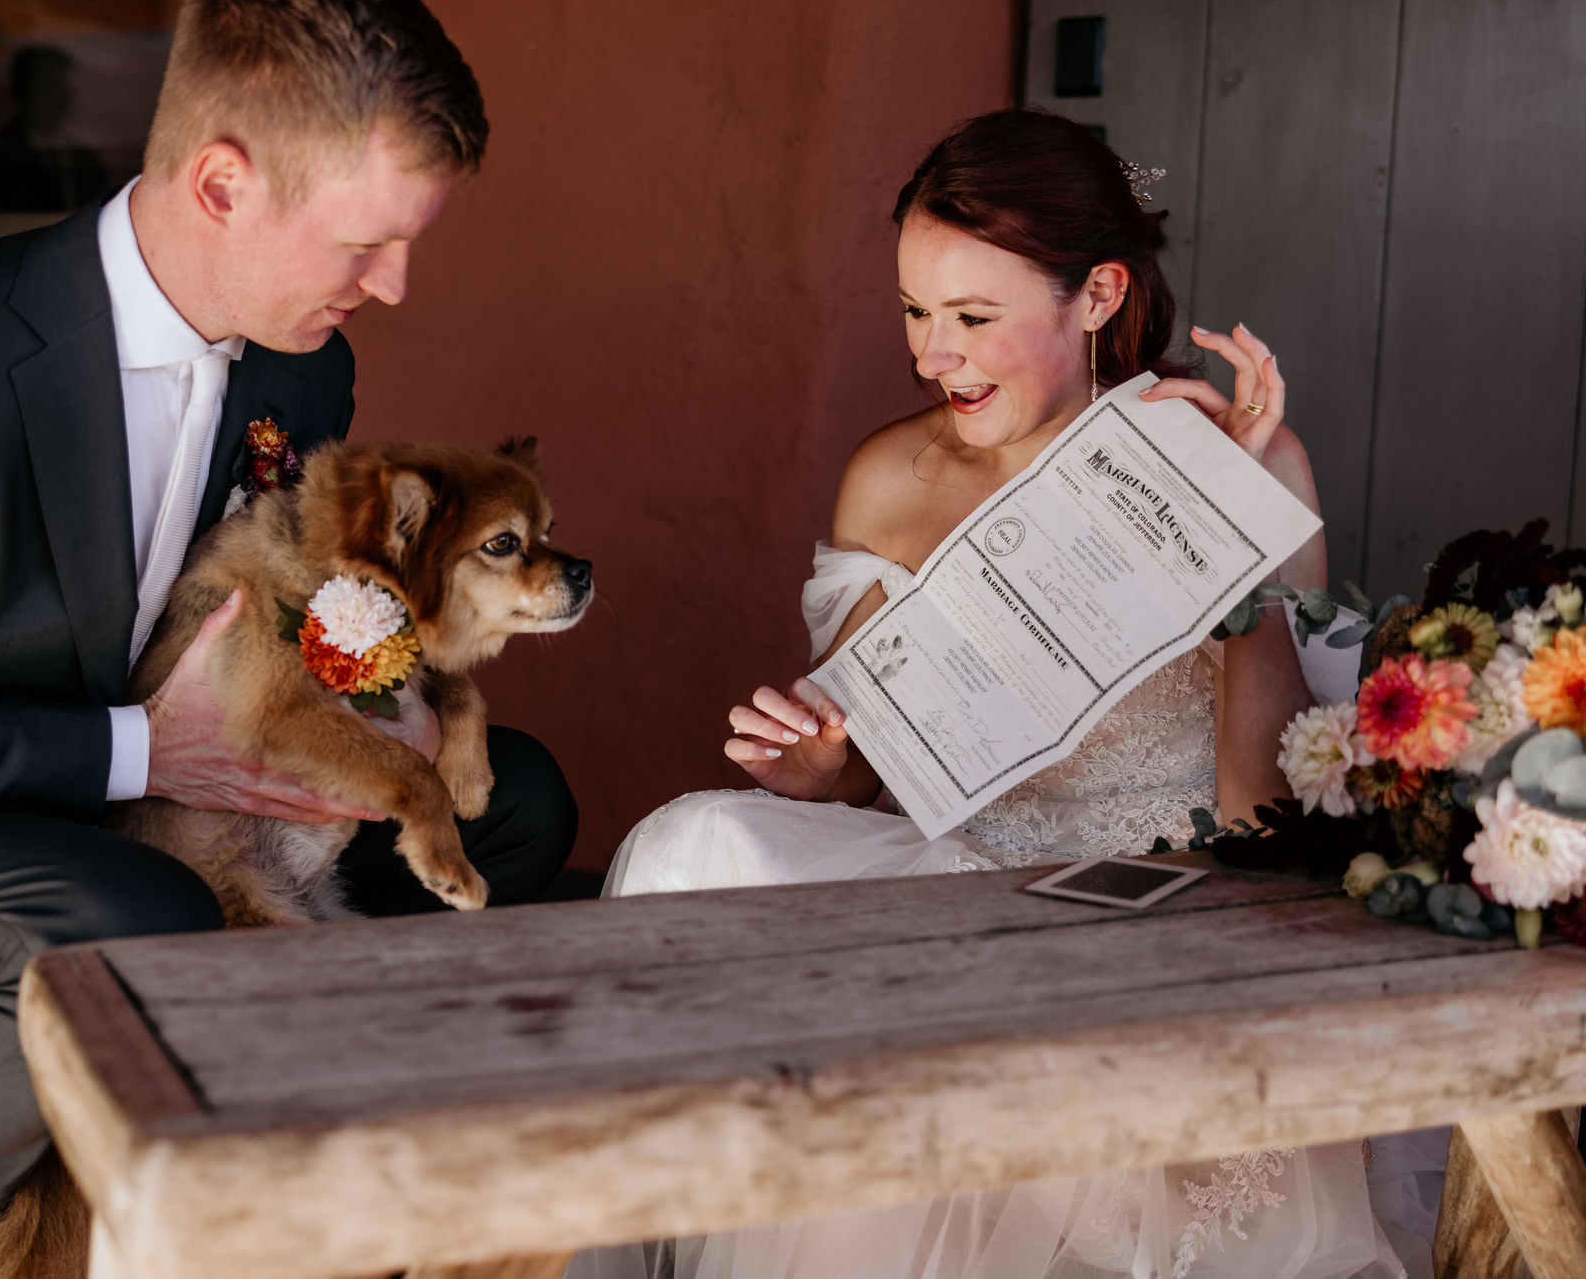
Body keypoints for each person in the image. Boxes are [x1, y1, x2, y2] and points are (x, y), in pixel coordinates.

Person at [0, 0, 577, 1278]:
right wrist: (140, 750)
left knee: (511, 800)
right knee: (131, 911)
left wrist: (383, 680)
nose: (395, 284)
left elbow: (295, 605)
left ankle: (309, 1114)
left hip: (184, 818)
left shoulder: (308, 367)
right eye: (368, 240)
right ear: (222, 182)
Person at [569, 110, 1416, 1279]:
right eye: (915, 312)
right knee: (692, 841)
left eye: (973, 318)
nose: (933, 354)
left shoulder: (1238, 453)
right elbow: (862, 764)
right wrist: (810, 767)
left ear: (1097, 294)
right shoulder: (891, 473)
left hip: (1162, 894)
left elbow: (1260, 812)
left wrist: (1234, 530)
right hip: (956, 876)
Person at [0, 44, 110, 212]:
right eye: (49, 88)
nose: (61, 98)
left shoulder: (84, 158)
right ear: (22, 92)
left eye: (63, 88)